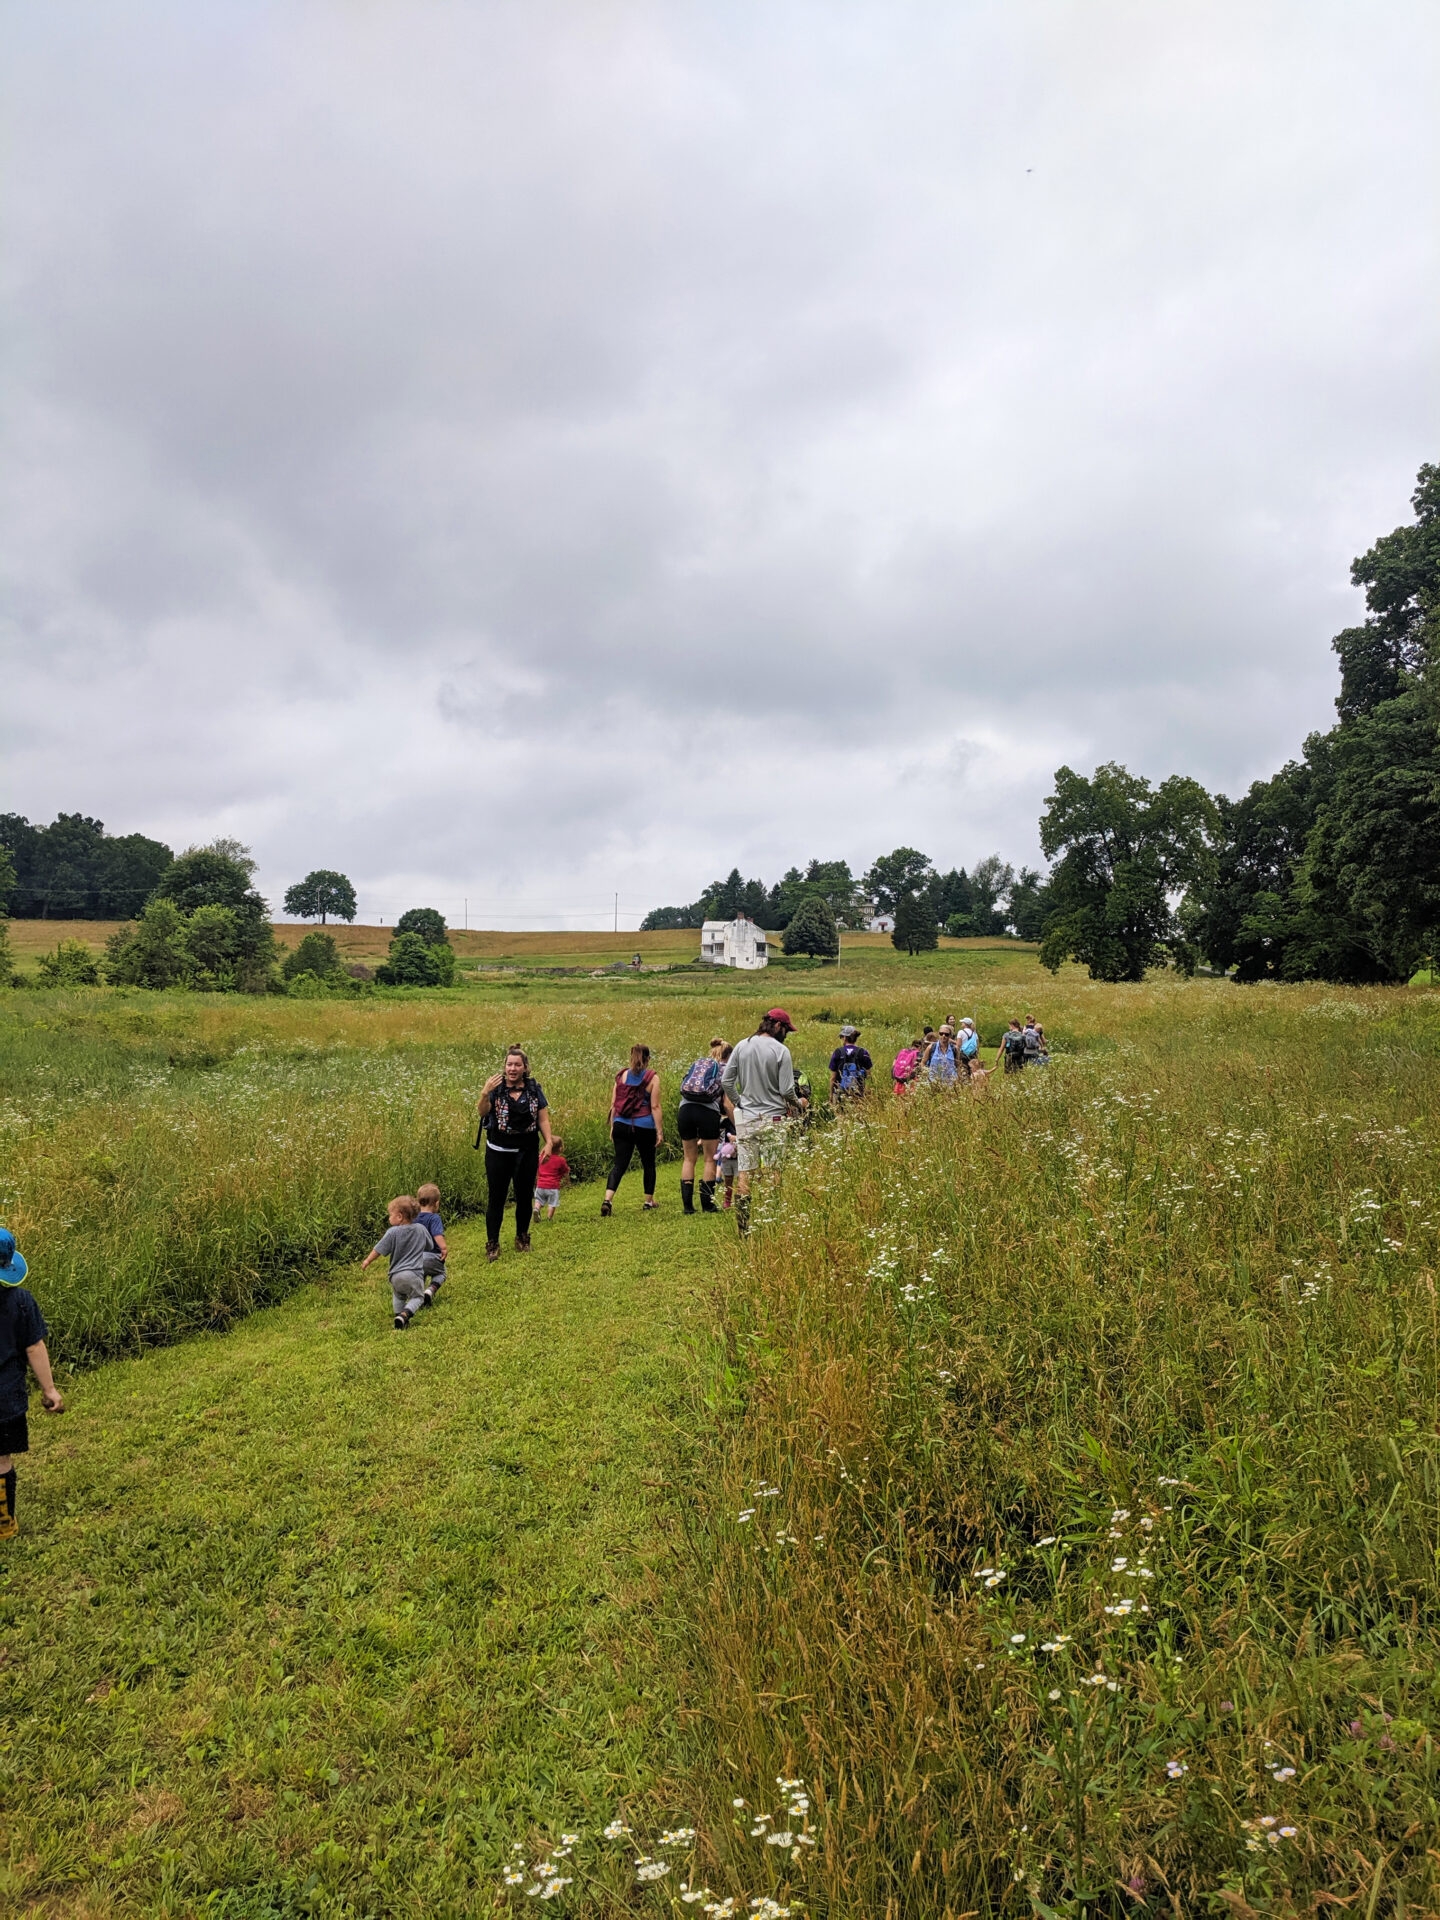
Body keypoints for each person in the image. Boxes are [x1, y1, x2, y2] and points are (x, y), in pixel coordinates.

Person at [0, 1228, 64, 1543]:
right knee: (1, 1460)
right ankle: (4, 1524)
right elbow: (34, 1348)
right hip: (5, 1399)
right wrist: (49, 1390)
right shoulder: (22, 1302)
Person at [720, 1009, 799, 1235]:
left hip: (747, 1119)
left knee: (745, 1171)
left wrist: (740, 1103)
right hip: (774, 1117)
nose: (786, 1034)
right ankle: (773, 1220)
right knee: (775, 1170)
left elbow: (726, 1081)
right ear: (777, 1026)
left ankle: (743, 1228)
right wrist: (798, 1104)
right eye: (785, 1030)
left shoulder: (742, 1045)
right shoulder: (781, 1050)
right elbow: (786, 1089)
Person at [477, 1046, 554, 1258]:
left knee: (524, 1196)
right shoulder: (495, 1088)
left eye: (517, 1065)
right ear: (505, 1066)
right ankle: (492, 1244)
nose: (512, 1068)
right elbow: (482, 1112)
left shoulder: (533, 1089)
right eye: (509, 1064)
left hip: (527, 1152)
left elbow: (543, 1118)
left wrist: (548, 1142)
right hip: (498, 1151)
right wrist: (485, 1093)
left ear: (525, 1067)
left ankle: (522, 1237)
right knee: (496, 1198)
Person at [602, 1044, 663, 1215]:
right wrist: (659, 1131)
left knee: (619, 1164)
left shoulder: (621, 1076)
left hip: (621, 1124)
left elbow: (614, 1104)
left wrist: (613, 1126)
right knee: (648, 1163)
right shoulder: (653, 1078)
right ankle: (648, 1202)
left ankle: (607, 1199)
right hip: (644, 1126)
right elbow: (655, 1106)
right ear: (648, 1058)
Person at [360, 1195, 435, 1329]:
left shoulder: (392, 1232)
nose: (389, 1218)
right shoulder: (420, 1229)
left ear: (400, 1216)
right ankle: (405, 1315)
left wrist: (367, 1261)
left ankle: (399, 1317)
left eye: (390, 1215)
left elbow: (378, 1249)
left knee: (399, 1296)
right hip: (413, 1274)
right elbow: (429, 1246)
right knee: (418, 1297)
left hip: (395, 1276)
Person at [677, 1036, 728, 1214]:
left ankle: (688, 1206)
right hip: (707, 1112)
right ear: (728, 1056)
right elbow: (727, 1103)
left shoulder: (698, 1064)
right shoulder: (724, 1070)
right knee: (709, 1158)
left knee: (689, 1158)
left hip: (685, 1110)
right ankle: (707, 1204)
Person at [415, 1182, 449, 1303]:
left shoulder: (414, 1218)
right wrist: (443, 1248)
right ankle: (430, 1290)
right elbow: (437, 1234)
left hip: (416, 1258)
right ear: (436, 1203)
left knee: (420, 1275)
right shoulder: (434, 1218)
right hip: (432, 1256)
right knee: (441, 1273)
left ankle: (417, 1297)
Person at [828, 1025, 873, 1104]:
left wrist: (831, 1095)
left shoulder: (837, 1052)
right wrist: (867, 1094)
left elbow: (833, 1078)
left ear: (845, 1038)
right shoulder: (863, 1052)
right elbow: (868, 1076)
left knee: (840, 1115)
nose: (841, 1039)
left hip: (840, 1091)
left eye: (841, 1037)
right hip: (858, 1092)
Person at [535, 1137, 570, 1220]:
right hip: (553, 1187)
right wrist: (567, 1181)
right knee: (552, 1203)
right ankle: (549, 1218)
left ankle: (536, 1209)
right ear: (560, 1148)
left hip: (540, 1185)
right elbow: (565, 1171)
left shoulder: (542, 1158)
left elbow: (537, 1169)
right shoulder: (561, 1160)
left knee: (539, 1200)